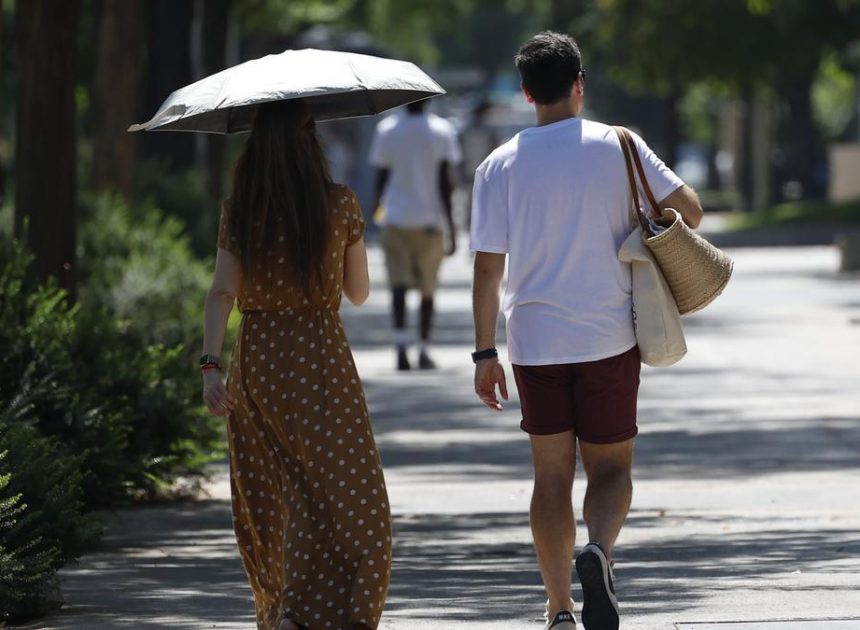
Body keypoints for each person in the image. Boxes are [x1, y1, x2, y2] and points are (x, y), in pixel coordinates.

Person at [469, 32, 703, 630]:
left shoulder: (498, 165)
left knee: (550, 475)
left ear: (526, 92)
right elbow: (691, 211)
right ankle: (598, 550)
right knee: (611, 469)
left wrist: (484, 352)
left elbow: (487, 268)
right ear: (580, 83)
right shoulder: (618, 144)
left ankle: (558, 611)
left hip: (535, 343)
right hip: (610, 338)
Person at [201, 99, 392, 630]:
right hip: (320, 357)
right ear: (312, 143)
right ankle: (322, 612)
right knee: (349, 496)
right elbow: (357, 293)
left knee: (273, 492)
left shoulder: (240, 209)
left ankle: (284, 607)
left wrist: (209, 366)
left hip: (259, 359)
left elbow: (221, 293)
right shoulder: (340, 204)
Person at [370, 98, 462, 371]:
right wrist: (452, 228)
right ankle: (423, 349)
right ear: (430, 100)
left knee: (398, 286)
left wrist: (376, 211)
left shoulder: (387, 129)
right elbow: (446, 183)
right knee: (427, 290)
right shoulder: (442, 130)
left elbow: (381, 176)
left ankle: (400, 346)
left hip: (396, 219)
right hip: (430, 222)